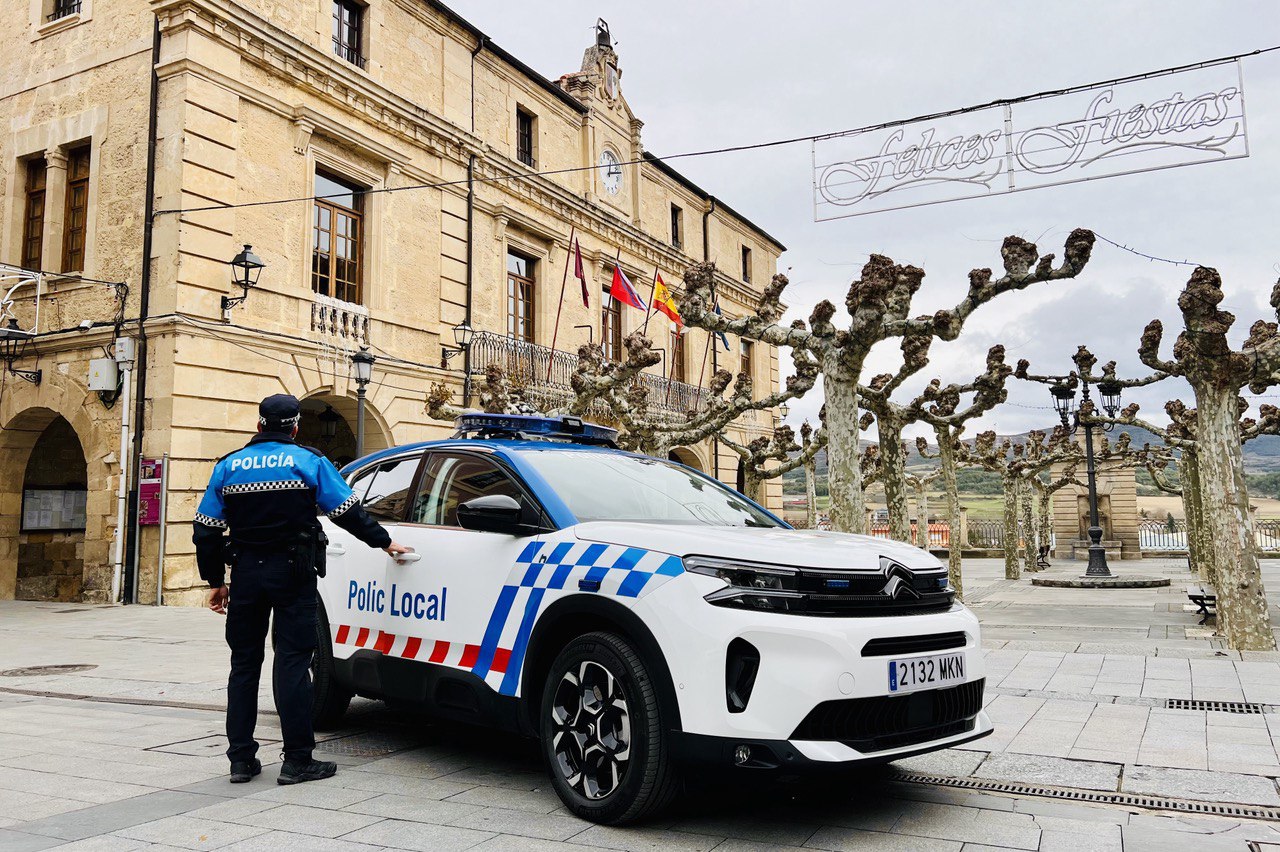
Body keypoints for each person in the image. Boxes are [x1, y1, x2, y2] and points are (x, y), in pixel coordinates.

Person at [193, 394, 412, 785]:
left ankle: (241, 760)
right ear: (295, 427)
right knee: (292, 662)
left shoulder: (228, 465)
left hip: (245, 574)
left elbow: (206, 529)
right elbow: (347, 512)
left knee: (243, 666)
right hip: (293, 572)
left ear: (259, 426)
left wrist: (215, 581)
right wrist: (384, 542)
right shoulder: (308, 461)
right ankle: (297, 760)